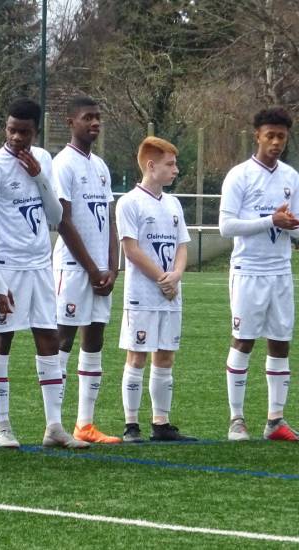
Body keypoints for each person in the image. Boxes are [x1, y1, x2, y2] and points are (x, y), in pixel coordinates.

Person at [0, 98, 88, 449]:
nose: (16, 138)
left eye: (24, 132)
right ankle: (2, 426)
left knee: (48, 339)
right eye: (11, 130)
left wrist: (38, 176)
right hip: (7, 267)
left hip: (40, 266)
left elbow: (56, 216)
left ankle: (54, 427)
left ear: (35, 131)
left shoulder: (44, 160)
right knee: (2, 338)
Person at [219, 107, 299, 442]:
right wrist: (271, 220)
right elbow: (226, 227)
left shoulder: (291, 177)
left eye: (281, 136)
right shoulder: (239, 176)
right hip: (249, 270)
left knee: (281, 342)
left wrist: (290, 223)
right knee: (243, 340)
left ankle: (275, 420)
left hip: (280, 271)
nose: (275, 142)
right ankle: (237, 419)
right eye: (269, 135)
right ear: (257, 135)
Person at [117, 136, 195, 443]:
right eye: (170, 164)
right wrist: (163, 278)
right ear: (151, 166)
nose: (176, 170)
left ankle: (161, 423)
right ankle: (131, 424)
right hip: (143, 294)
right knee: (137, 356)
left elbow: (182, 246)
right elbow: (131, 249)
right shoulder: (129, 203)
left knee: (166, 356)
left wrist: (176, 275)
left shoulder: (174, 204)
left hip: (171, 294)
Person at [52, 96, 120, 444]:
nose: (94, 123)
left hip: (100, 270)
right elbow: (62, 221)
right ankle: (56, 424)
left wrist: (113, 266)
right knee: (63, 338)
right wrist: (93, 269)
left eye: (98, 117)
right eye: (87, 117)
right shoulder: (62, 163)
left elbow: (109, 217)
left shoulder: (101, 166)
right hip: (73, 269)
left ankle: (85, 424)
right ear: (71, 122)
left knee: (95, 339)